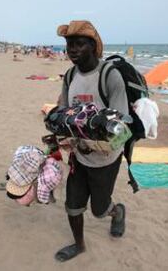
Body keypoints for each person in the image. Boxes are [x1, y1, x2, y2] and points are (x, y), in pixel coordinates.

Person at [55, 20, 127, 262]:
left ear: (93, 46)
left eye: (79, 44)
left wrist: (95, 135)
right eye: (68, 45)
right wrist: (58, 129)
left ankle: (117, 212)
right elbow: (63, 111)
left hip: (106, 159)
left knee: (99, 209)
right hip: (79, 156)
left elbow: (121, 129)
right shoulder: (69, 76)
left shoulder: (110, 76)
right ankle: (79, 245)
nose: (72, 50)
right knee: (73, 204)